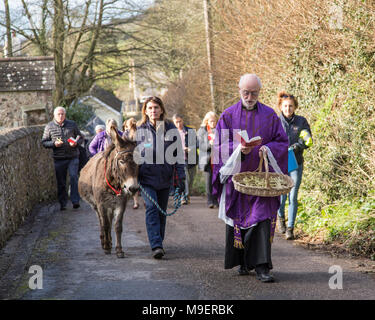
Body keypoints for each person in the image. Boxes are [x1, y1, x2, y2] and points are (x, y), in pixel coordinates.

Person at [212, 74, 288, 282]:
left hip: (263, 181)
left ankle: (262, 267)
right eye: (246, 92)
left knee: (262, 218)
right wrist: (238, 150)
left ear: (259, 92)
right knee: (240, 220)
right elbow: (218, 146)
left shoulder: (271, 116)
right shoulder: (227, 116)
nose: (250, 96)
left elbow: (282, 143)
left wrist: (268, 148)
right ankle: (243, 262)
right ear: (239, 91)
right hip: (237, 181)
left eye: (254, 92)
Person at [136, 96, 186, 259]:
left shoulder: (171, 129)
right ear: (145, 111)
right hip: (146, 178)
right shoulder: (140, 130)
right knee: (151, 208)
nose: (153, 111)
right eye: (149, 108)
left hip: (165, 178)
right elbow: (134, 156)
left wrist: (181, 177)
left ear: (161, 109)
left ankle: (159, 241)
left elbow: (178, 155)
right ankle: (156, 245)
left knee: (161, 212)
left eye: (156, 107)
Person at [277, 91, 312, 240]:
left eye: (291, 106)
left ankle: (290, 228)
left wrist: (298, 146)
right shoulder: (275, 122)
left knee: (293, 196)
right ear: (281, 107)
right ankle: (281, 219)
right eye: (285, 106)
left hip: (296, 163)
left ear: (295, 107)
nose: (288, 109)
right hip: (279, 164)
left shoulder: (301, 121)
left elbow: (307, 139)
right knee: (281, 197)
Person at [42, 106, 83, 211]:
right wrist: (54, 143)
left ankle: (75, 201)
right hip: (59, 158)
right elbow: (44, 142)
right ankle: (63, 203)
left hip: (72, 157)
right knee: (61, 182)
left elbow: (81, 137)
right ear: (54, 116)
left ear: (65, 115)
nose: (61, 116)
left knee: (74, 177)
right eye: (58, 114)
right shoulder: (49, 126)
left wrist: (76, 143)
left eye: (62, 114)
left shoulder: (72, 124)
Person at [172, 114, 198, 205]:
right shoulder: (171, 133)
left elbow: (197, 143)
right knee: (184, 178)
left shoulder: (190, 131)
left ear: (183, 121)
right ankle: (184, 197)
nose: (179, 124)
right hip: (179, 159)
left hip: (191, 158)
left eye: (180, 121)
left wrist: (191, 147)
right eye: (176, 122)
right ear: (173, 122)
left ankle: (187, 195)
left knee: (191, 179)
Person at [197, 111, 219, 208]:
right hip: (207, 160)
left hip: (218, 158)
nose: (213, 123)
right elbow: (199, 145)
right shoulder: (202, 130)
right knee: (209, 180)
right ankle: (210, 200)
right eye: (211, 121)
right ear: (206, 121)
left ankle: (216, 200)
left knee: (218, 180)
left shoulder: (220, 129)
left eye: (214, 121)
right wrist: (209, 144)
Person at [122, 117, 140, 209]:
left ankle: (136, 202)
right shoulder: (141, 132)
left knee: (133, 180)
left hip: (131, 161)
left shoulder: (126, 134)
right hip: (139, 159)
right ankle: (140, 201)